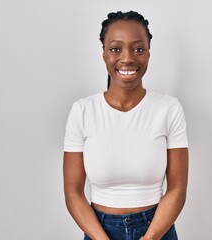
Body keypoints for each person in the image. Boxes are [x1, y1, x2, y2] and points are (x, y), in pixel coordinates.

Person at [63, 11, 189, 240]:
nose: (128, 58)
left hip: (157, 231)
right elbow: (73, 193)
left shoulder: (169, 109)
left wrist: (150, 238)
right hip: (98, 230)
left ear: (149, 54)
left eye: (138, 49)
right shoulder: (82, 111)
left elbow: (177, 188)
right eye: (115, 49)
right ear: (104, 54)